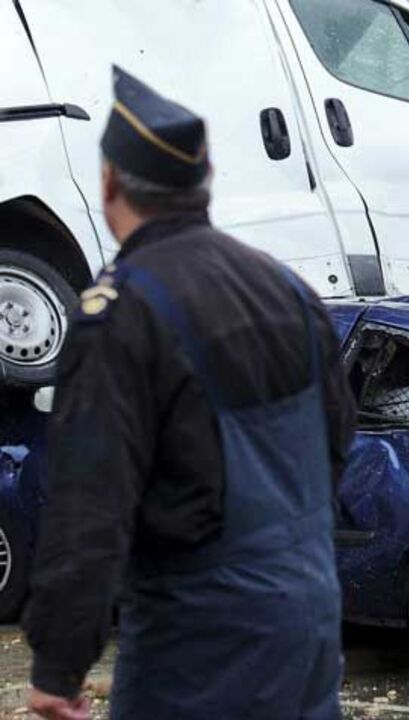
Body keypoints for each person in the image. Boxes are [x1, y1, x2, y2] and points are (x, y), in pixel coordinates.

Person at [22, 66, 356, 720]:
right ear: (202, 184)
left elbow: (89, 505)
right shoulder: (287, 290)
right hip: (308, 627)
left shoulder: (122, 314)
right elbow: (336, 444)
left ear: (110, 182)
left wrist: (58, 666)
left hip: (196, 647)